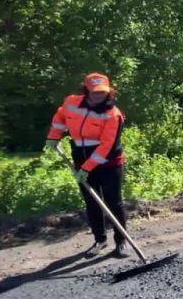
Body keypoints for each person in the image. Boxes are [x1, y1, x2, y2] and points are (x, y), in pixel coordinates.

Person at [45, 73, 129, 258]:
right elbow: (60, 118)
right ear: (86, 91)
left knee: (113, 202)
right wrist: (54, 136)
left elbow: (107, 147)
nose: (99, 96)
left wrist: (86, 168)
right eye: (95, 92)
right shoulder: (71, 103)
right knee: (92, 202)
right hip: (80, 157)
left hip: (108, 162)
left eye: (103, 92)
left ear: (109, 92)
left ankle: (121, 242)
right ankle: (100, 240)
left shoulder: (112, 114)